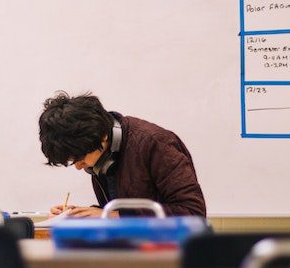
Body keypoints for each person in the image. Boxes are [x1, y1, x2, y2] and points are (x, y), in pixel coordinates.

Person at [38, 92, 206, 218]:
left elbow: (193, 212)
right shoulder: (103, 156)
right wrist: (79, 215)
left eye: (80, 158)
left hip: (168, 256)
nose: (78, 166)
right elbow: (122, 208)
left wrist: (113, 216)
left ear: (102, 137)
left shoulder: (156, 143)